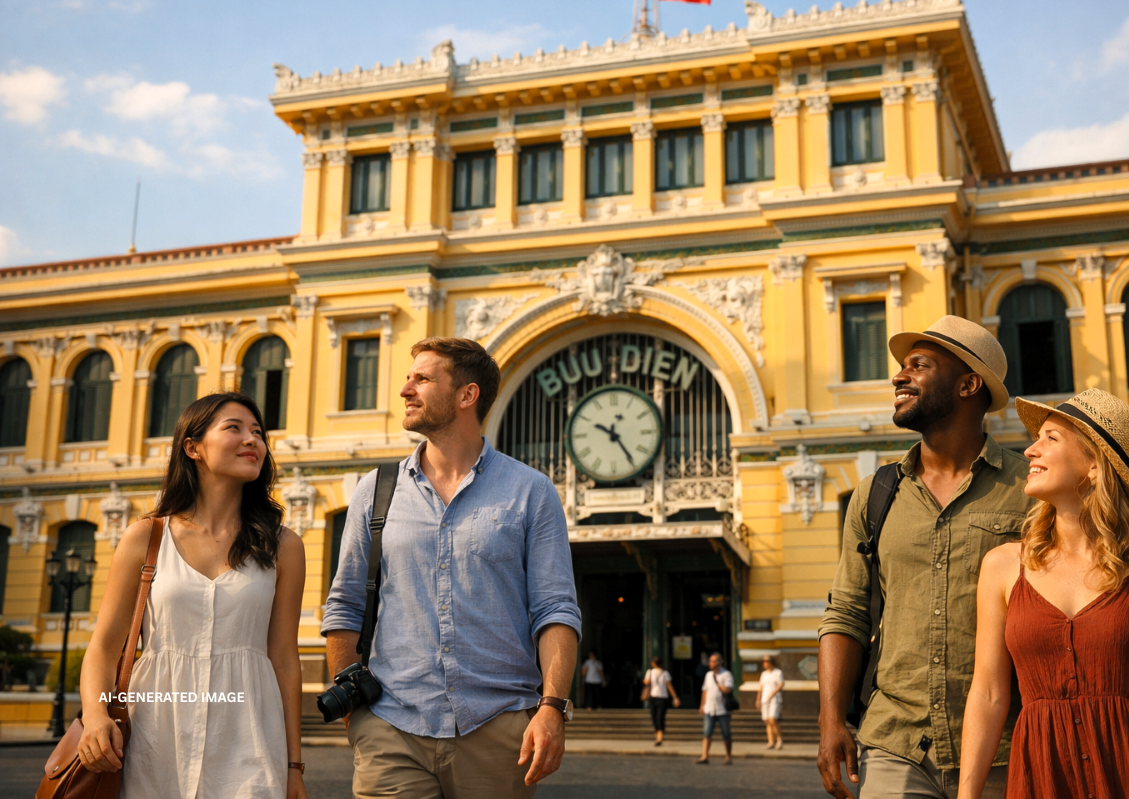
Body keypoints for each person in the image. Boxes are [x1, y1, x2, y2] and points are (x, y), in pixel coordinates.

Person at [322, 337, 582, 799]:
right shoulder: (374, 491)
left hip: (499, 732)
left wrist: (552, 709)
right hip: (391, 726)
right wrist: (354, 711)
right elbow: (344, 604)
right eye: (409, 377)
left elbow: (555, 610)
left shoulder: (531, 492)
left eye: (422, 379)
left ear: (467, 395)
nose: (405, 389)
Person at [957, 388, 1129, 799]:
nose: (1030, 450)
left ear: (1093, 465)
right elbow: (989, 692)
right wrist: (967, 795)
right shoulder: (1002, 566)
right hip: (1041, 779)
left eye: (1050, 438)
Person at [818, 315, 1032, 799]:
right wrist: (830, 722)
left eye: (918, 365)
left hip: (1006, 745)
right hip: (895, 743)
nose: (898, 376)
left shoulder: (1031, 490)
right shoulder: (875, 495)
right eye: (901, 367)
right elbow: (847, 613)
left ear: (967, 384)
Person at [77, 392, 307, 799]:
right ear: (193, 447)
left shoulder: (283, 547)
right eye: (234, 428)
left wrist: (293, 768)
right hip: (153, 736)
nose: (252, 440)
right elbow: (104, 646)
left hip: (249, 735)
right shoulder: (145, 538)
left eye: (258, 432)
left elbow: (285, 661)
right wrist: (96, 714)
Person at [697, 652, 735, 765]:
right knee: (707, 733)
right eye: (710, 661)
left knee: (726, 734)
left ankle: (728, 756)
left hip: (722, 709)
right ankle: (704, 756)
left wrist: (718, 684)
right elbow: (705, 690)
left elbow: (728, 689)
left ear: (719, 662)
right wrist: (702, 705)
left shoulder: (726, 674)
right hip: (709, 708)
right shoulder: (708, 675)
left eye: (713, 661)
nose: (710, 663)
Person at [643, 657, 680, 745]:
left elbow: (669, 686)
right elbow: (646, 682)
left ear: (654, 663)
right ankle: (657, 735)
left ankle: (659, 738)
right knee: (654, 717)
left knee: (660, 717)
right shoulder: (650, 672)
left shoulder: (665, 673)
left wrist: (675, 697)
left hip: (662, 697)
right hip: (653, 697)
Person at [756, 655, 785, 750]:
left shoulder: (777, 672)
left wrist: (773, 693)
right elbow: (761, 687)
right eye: (763, 661)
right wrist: (758, 699)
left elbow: (781, 684)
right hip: (764, 699)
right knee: (767, 721)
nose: (764, 663)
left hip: (774, 699)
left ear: (771, 662)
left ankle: (779, 740)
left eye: (766, 661)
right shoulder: (763, 674)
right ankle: (771, 741)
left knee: (773, 719)